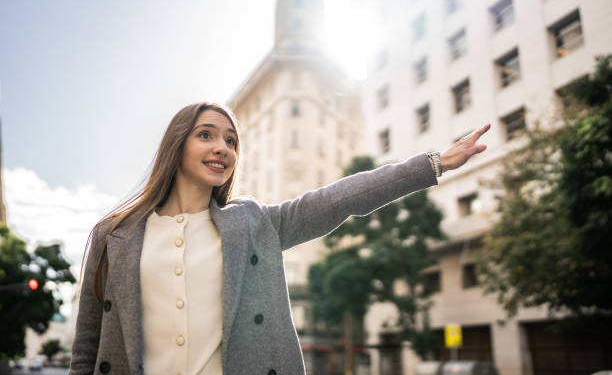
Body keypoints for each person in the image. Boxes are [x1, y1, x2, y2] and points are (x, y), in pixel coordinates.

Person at [69, 102, 490, 375]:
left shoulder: (252, 223)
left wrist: (433, 164)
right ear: (176, 146)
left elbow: (339, 199)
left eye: (231, 141)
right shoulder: (114, 235)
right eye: (206, 135)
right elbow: (87, 349)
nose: (223, 148)